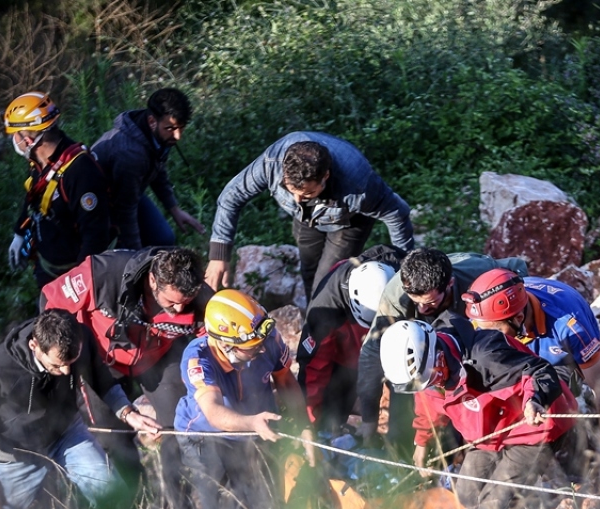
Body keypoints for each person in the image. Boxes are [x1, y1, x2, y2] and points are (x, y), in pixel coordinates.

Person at [0, 309, 160, 509]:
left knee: (112, 500)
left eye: (70, 365)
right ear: (34, 345)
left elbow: (101, 378)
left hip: (66, 433)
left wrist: (128, 413)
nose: (65, 372)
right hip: (13, 452)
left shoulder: (80, 338)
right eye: (57, 365)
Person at [379, 318, 577, 509]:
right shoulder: (425, 376)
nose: (432, 383)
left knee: (492, 506)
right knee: (464, 498)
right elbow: (429, 408)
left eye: (431, 376)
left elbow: (539, 371)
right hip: (487, 436)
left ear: (438, 353)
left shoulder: (486, 355)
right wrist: (422, 442)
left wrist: (535, 399)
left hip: (533, 429)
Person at [173, 289, 313, 509]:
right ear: (226, 345)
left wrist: (304, 427)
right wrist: (253, 423)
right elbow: (214, 412)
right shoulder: (197, 359)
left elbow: (286, 382)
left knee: (264, 507)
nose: (261, 350)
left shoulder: (267, 339)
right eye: (252, 347)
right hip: (206, 437)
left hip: (256, 428)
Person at [205, 132, 414, 296]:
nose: (297, 199)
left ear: (326, 176)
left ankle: (325, 334)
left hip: (349, 222)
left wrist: (405, 266)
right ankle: (315, 325)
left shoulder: (358, 185)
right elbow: (231, 196)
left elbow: (397, 213)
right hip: (306, 219)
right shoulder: (272, 164)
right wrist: (219, 255)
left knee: (328, 282)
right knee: (309, 272)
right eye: (290, 191)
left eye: (307, 193)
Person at [355, 248, 526, 445]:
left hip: (472, 340)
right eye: (415, 302)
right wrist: (369, 420)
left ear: (450, 284)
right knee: (403, 404)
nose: (421, 309)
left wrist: (518, 319)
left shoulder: (478, 273)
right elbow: (372, 352)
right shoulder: (396, 296)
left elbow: (517, 270)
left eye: (429, 302)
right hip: (420, 346)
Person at [39, 246, 208, 431]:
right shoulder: (103, 273)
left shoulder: (201, 296)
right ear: (153, 280)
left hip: (159, 358)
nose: (179, 310)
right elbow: (50, 300)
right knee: (111, 436)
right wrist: (63, 352)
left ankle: (176, 458)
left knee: (179, 424)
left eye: (186, 302)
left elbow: (213, 342)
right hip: (102, 360)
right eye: (172, 302)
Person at [463, 269, 600, 420]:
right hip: (526, 348)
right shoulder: (483, 321)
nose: (488, 337)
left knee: (557, 408)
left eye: (495, 332)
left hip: (561, 360)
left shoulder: (570, 328)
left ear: (518, 318)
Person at [5, 91, 113, 287]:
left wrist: (81, 284)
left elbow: (95, 235)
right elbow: (34, 197)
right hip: (48, 268)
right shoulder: (40, 160)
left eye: (15, 135)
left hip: (71, 276)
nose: (14, 140)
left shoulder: (80, 172)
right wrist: (19, 232)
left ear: (28, 140)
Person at [295, 245, 403, 436]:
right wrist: (307, 423)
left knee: (404, 414)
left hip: (398, 350)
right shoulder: (325, 308)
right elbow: (313, 367)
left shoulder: (407, 280)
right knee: (328, 422)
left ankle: (400, 448)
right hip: (347, 359)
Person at [91, 87, 204, 249]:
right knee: (122, 254)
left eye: (182, 127)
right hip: (100, 205)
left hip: (128, 193)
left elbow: (158, 170)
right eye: (171, 128)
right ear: (152, 121)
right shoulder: (129, 154)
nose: (178, 136)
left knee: (164, 239)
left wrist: (174, 209)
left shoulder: (159, 134)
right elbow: (125, 212)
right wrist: (136, 259)